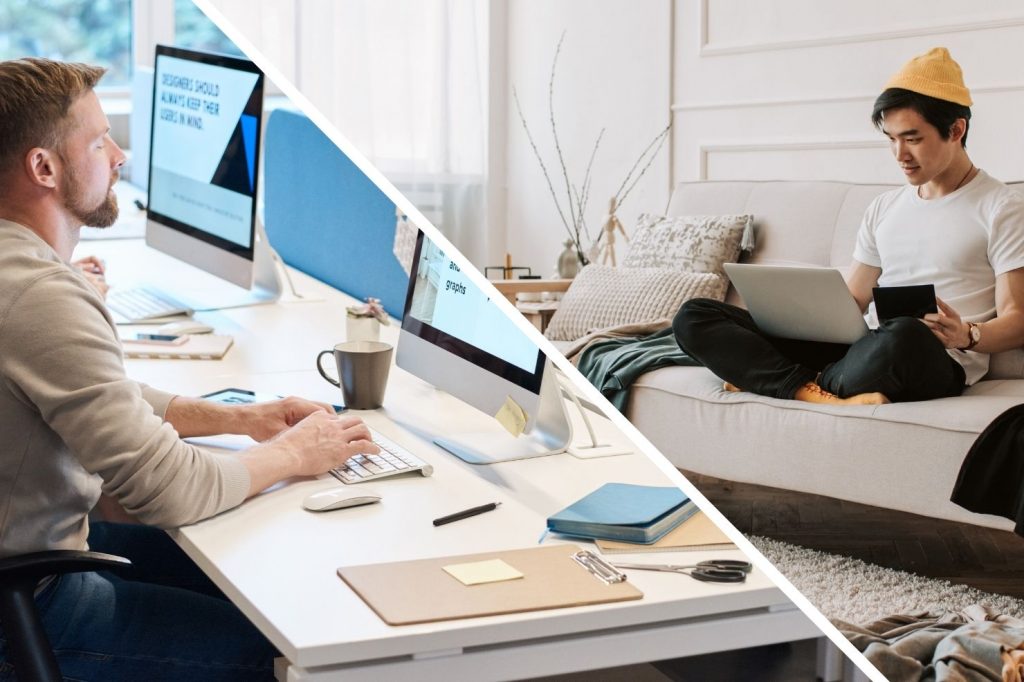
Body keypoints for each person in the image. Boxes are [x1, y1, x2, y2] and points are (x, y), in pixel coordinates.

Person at [0, 57, 380, 680]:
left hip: (34, 564)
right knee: (277, 652)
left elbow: (100, 393)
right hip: (36, 605)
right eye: (98, 141)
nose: (119, 157)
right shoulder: (42, 294)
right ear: (43, 167)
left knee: (252, 583)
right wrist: (294, 453)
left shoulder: (23, 272)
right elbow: (171, 491)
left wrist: (240, 418)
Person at [673, 47, 1024, 406]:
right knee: (695, 315)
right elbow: (854, 300)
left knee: (905, 333)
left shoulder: (1003, 208)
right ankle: (813, 390)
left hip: (929, 357)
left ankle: (773, 378)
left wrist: (967, 334)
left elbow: (1018, 318)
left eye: (912, 138)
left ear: (956, 129)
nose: (899, 154)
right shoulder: (885, 208)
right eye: (891, 138)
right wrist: (789, 313)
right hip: (859, 350)